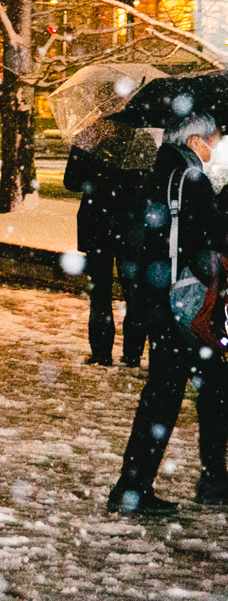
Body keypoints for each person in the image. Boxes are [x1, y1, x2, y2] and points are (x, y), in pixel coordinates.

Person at [109, 122, 228, 517]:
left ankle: (140, 484)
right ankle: (134, 486)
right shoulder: (189, 178)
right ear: (195, 140)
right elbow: (208, 237)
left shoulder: (163, 172)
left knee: (182, 390)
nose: (215, 148)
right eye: (213, 140)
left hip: (159, 299)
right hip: (180, 304)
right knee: (166, 395)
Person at [68, 136, 146, 368]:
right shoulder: (141, 140)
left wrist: (94, 176)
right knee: (134, 293)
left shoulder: (89, 140)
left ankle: (101, 353)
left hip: (97, 224)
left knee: (100, 294)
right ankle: (132, 353)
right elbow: (149, 182)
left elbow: (71, 181)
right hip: (129, 226)